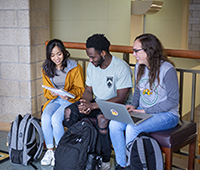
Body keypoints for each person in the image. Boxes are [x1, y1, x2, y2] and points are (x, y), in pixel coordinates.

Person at [109, 33, 180, 170]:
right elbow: (138, 91)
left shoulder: (167, 69)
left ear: (149, 50)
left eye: (136, 50)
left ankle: (132, 166)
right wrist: (133, 105)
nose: (133, 54)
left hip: (168, 115)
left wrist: (145, 110)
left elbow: (172, 101)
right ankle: (122, 165)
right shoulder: (139, 67)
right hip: (142, 111)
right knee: (114, 124)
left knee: (133, 128)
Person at [63, 34, 133, 170]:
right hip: (97, 102)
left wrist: (93, 105)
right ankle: (80, 152)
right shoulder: (92, 67)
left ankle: (105, 159)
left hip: (118, 105)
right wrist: (84, 103)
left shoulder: (121, 67)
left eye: (93, 57)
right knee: (69, 112)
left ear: (103, 53)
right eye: (89, 57)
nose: (90, 60)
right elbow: (88, 90)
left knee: (102, 118)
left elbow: (121, 98)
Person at [41, 39, 85, 166]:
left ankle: (60, 152)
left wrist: (67, 94)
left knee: (55, 119)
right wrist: (53, 93)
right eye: (53, 55)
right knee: (45, 117)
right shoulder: (46, 68)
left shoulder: (75, 67)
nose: (56, 58)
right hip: (54, 99)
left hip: (69, 100)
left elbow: (80, 89)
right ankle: (50, 150)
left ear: (64, 52)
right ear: (49, 56)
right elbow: (46, 92)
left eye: (59, 54)